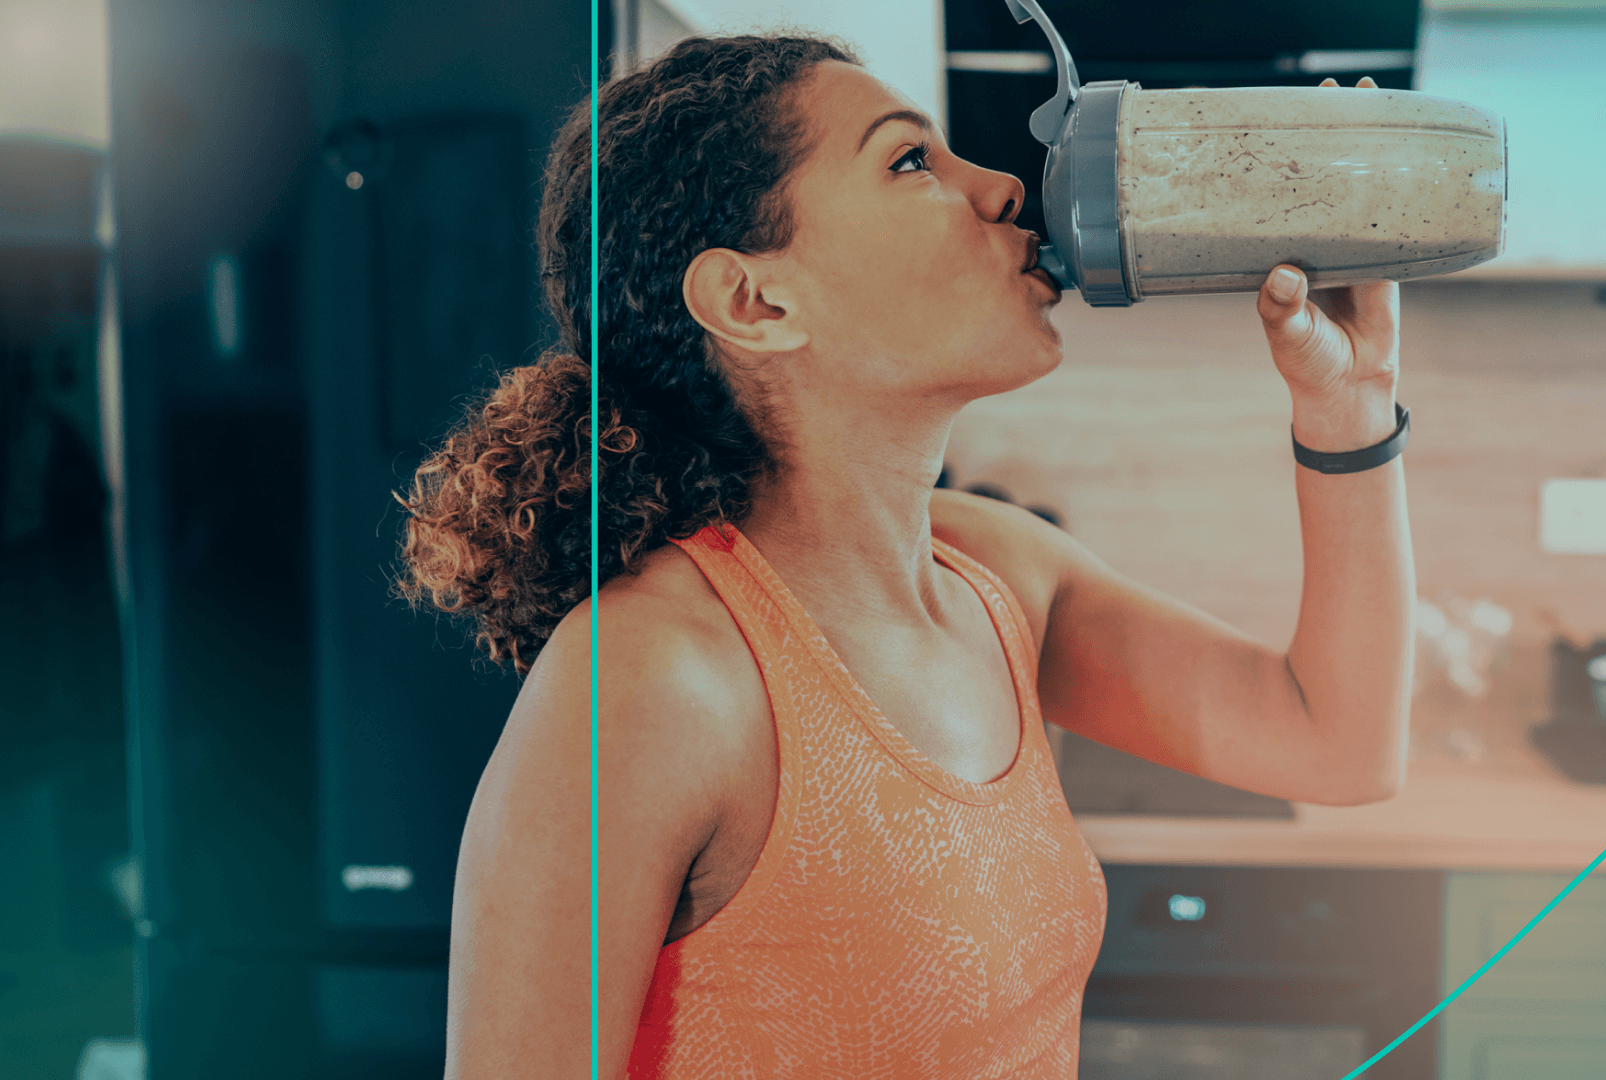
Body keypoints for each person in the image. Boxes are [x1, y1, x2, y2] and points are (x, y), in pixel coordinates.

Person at [396, 32, 1412, 1080]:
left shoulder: (1000, 579)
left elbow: (1336, 745)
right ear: (756, 302)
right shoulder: (651, 681)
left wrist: (1350, 407)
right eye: (911, 161)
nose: (1005, 187)